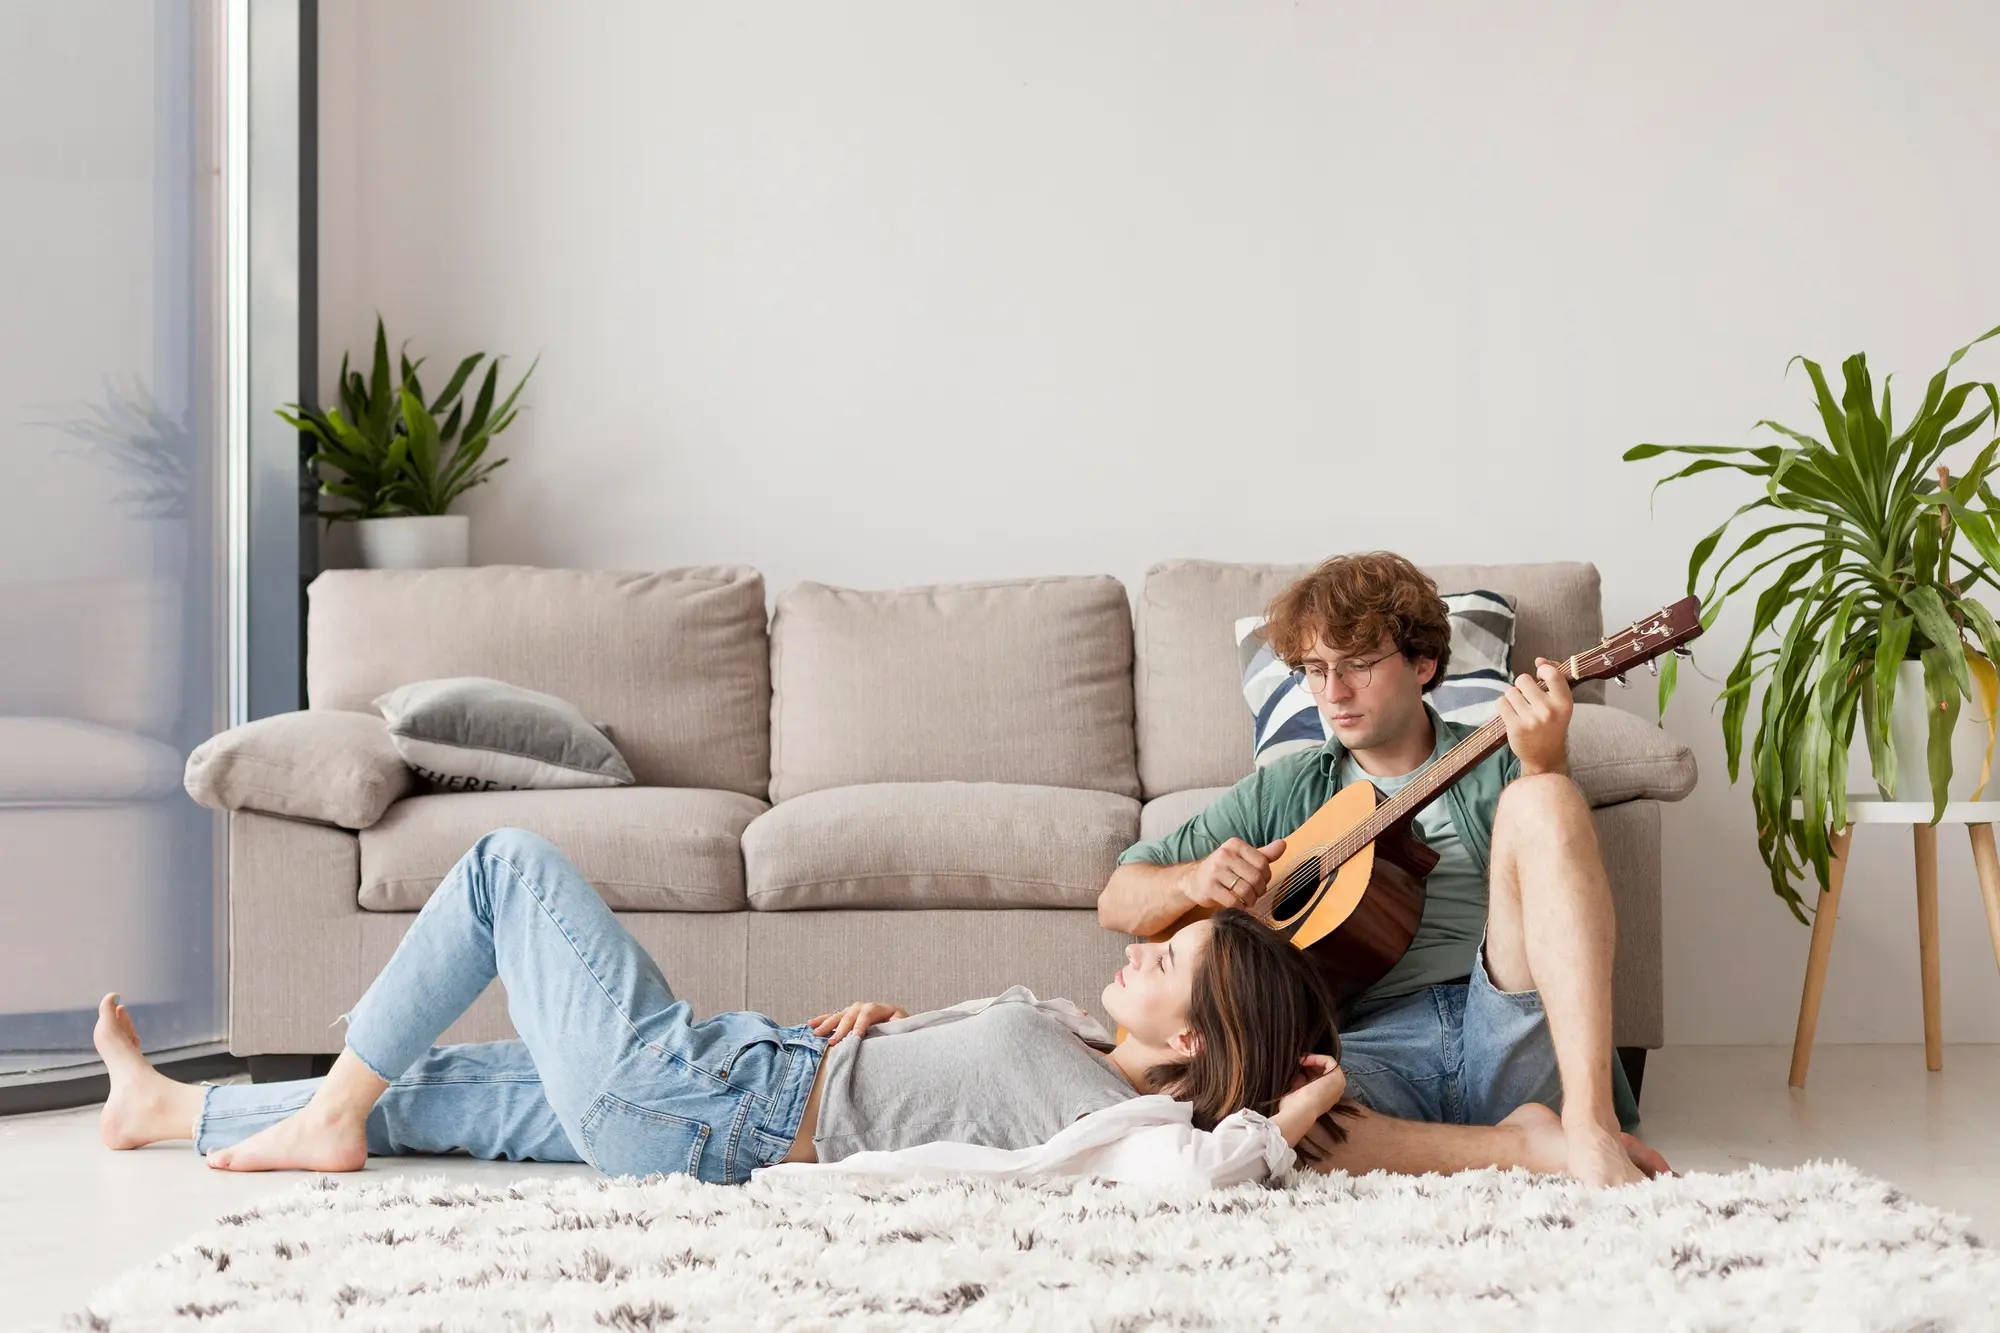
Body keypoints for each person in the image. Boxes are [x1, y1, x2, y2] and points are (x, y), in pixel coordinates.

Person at [90, 828, 1357, 1186]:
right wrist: (900, 1025)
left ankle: (326, 1115)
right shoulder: (1077, 1045)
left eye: (1166, 961)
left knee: (503, 867)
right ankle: (168, 1111)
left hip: (711, 1101)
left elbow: (1202, 1172)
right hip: (723, 1091)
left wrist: (1298, 1109)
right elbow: (955, 1088)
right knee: (462, 1088)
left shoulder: (1115, 1120)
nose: (1140, 947)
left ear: (1191, 1039)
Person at [1097, 551, 1667, 1187]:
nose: (1334, 693)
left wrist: (1542, 764)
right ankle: (1528, 1147)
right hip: (1367, 1053)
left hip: (1511, 1025)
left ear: (1423, 664)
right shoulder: (1282, 791)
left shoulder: (1502, 753)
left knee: (1546, 799)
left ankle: (1589, 1127)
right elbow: (1117, 898)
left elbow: (1561, 885)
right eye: (1316, 671)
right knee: (1259, 1120)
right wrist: (1192, 879)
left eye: (1359, 665)